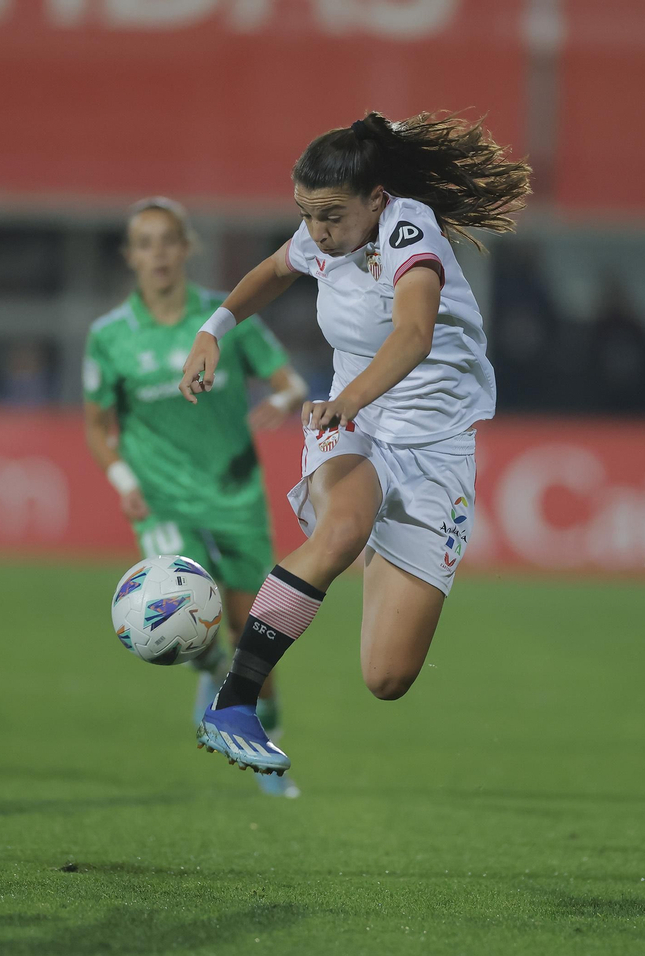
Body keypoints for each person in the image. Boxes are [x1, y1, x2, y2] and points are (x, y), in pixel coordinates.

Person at [178, 112, 530, 774]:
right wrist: (214, 328)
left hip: (435, 450)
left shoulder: (406, 227)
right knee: (339, 533)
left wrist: (351, 395)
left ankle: (375, 537)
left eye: (331, 215)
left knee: (387, 677)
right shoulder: (326, 236)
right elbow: (276, 270)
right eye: (307, 214)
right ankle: (234, 704)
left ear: (375, 200)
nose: (316, 231)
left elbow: (414, 333)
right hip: (357, 429)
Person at [84, 197, 308, 797]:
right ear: (130, 256)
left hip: (234, 493)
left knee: (252, 630)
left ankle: (264, 747)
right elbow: (97, 426)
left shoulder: (226, 317)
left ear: (187, 249)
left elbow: (292, 386)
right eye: (144, 243)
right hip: (162, 500)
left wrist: (282, 403)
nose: (157, 253)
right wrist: (126, 484)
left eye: (167, 241)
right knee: (186, 611)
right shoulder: (110, 338)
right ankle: (207, 666)